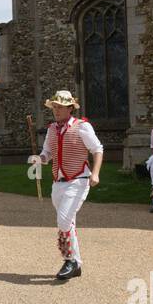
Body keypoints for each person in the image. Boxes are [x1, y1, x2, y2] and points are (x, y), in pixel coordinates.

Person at [31, 90, 103, 280]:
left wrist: (95, 173)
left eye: (60, 107)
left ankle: (68, 260)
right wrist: (40, 158)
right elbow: (48, 152)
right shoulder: (52, 129)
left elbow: (97, 149)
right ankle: (77, 264)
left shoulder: (82, 127)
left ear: (70, 108)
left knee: (63, 220)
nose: (56, 110)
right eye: (54, 107)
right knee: (68, 222)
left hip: (78, 180)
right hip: (58, 183)